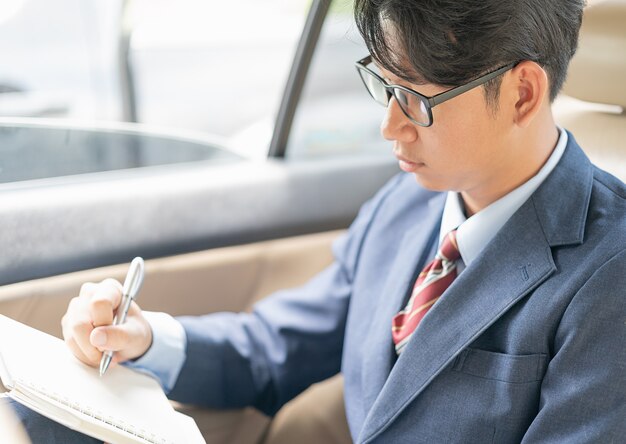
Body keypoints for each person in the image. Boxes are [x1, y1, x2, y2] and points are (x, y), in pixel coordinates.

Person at [15, 0, 626, 442]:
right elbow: (277, 348)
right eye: (382, 87)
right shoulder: (406, 205)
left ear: (522, 93)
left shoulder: (610, 275)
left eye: (416, 98)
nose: (390, 125)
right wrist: (146, 340)